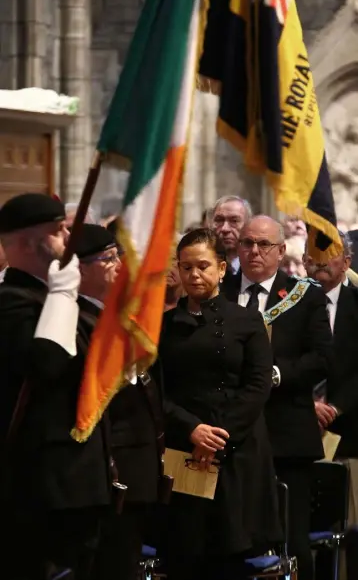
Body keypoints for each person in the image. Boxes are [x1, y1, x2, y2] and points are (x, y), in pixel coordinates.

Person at [0, 194, 112, 580]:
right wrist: (64, 292)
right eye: (59, 230)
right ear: (28, 243)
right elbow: (48, 363)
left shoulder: (50, 297)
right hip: (42, 487)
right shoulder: (12, 303)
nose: (69, 238)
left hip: (78, 483)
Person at [159, 228, 281, 580]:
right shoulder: (164, 325)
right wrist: (191, 429)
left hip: (238, 451)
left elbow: (258, 384)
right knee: (186, 554)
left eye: (202, 266)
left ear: (222, 269)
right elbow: (156, 391)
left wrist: (219, 436)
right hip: (184, 451)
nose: (194, 275)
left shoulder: (246, 320)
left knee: (233, 555)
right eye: (186, 267)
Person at [224, 215, 333, 580]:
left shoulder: (304, 295)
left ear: (282, 249)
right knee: (231, 537)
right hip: (229, 434)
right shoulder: (218, 290)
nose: (254, 251)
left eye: (264, 244)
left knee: (290, 537)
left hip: (285, 432)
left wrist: (275, 375)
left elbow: (321, 357)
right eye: (247, 243)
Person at [73, 226, 162, 580]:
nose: (117, 265)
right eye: (107, 259)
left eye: (117, 256)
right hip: (106, 466)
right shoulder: (78, 320)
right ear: (79, 269)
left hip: (136, 464)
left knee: (126, 560)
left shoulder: (120, 314)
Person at [304, 232, 358, 580]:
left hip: (352, 433)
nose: (320, 261)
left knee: (351, 531)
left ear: (347, 262)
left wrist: (335, 407)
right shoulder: (290, 301)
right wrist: (309, 404)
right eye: (313, 254)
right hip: (299, 427)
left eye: (331, 253)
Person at [211, 195, 252, 275]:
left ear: (248, 225)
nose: (225, 229)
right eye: (219, 220)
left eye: (234, 221)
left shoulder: (260, 273)